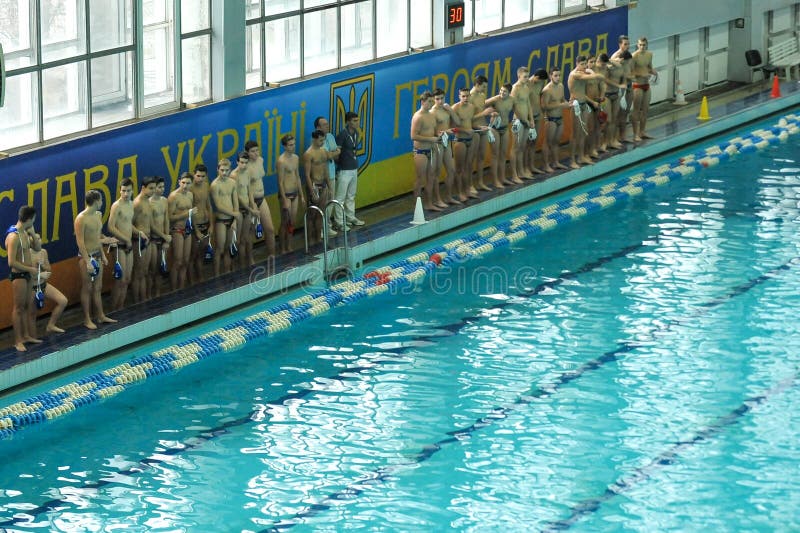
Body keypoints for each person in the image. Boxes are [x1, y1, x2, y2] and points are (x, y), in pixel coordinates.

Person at [74, 190, 118, 330]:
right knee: (87, 288)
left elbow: (97, 237)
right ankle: (87, 319)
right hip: (86, 258)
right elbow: (80, 242)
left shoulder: (98, 215)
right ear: (96, 201)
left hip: (98, 255)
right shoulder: (81, 219)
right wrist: (87, 261)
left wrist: (103, 254)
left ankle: (100, 315)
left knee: (98, 288)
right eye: (101, 200)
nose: (102, 203)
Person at [6, 206, 40, 351]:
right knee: (18, 308)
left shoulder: (25, 232)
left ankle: (26, 336)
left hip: (27, 274)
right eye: (34, 219)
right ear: (29, 219)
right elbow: (11, 262)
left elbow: (37, 248)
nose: (34, 221)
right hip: (19, 275)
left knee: (27, 306)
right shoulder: (14, 237)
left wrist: (32, 233)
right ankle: (18, 340)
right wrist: (29, 269)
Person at [27, 231, 67, 337]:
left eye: (39, 238)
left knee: (63, 301)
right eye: (35, 239)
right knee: (32, 315)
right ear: (30, 242)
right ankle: (33, 338)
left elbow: (49, 269)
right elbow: (26, 276)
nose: (38, 241)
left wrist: (44, 267)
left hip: (43, 285)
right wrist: (40, 275)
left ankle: (51, 325)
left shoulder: (43, 252)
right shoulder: (27, 255)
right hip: (32, 288)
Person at [410, 91, 443, 212]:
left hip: (432, 150)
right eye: (429, 101)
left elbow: (433, 132)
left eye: (432, 101)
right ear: (422, 102)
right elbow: (413, 136)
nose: (431, 104)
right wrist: (431, 138)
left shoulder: (431, 115)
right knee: (420, 179)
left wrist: (438, 135)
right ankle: (416, 207)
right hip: (420, 152)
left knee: (431, 177)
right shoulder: (417, 117)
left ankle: (429, 203)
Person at [106, 178, 135, 310]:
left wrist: (139, 233)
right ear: (119, 190)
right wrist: (126, 239)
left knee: (127, 279)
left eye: (128, 191)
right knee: (120, 280)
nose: (125, 194)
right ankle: (113, 310)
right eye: (123, 191)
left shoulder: (131, 204)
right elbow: (110, 227)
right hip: (119, 246)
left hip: (128, 246)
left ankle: (121, 308)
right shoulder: (116, 206)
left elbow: (129, 225)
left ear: (132, 191)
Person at [245, 140, 277, 259]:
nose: (256, 153)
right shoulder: (246, 166)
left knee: (270, 229)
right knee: (251, 233)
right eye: (252, 151)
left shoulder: (261, 160)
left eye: (257, 150)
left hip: (262, 199)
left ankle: (272, 255)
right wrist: (252, 205)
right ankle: (251, 260)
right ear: (247, 153)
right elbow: (247, 188)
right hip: (251, 201)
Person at [333, 111, 365, 229]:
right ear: (347, 122)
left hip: (353, 168)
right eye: (354, 121)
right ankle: (339, 222)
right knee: (340, 197)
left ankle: (350, 217)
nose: (357, 123)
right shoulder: (342, 135)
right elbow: (336, 153)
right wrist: (340, 165)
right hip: (344, 170)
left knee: (351, 195)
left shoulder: (356, 133)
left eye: (358, 120)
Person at [303, 129, 336, 242]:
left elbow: (326, 170)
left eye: (323, 140)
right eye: (320, 140)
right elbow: (307, 175)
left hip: (323, 185)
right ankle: (309, 240)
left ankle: (318, 239)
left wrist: (330, 187)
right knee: (311, 215)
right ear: (314, 139)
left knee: (320, 214)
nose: (322, 142)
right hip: (314, 186)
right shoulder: (308, 154)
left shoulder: (323, 152)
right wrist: (312, 191)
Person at [431, 88, 461, 202]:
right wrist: (445, 132)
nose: (440, 101)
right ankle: (438, 199)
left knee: (451, 170)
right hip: (438, 144)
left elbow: (457, 122)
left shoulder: (446, 109)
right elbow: (431, 133)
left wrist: (450, 110)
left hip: (447, 143)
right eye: (437, 99)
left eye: (442, 98)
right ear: (434, 100)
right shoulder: (432, 112)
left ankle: (448, 197)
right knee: (437, 173)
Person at [209, 158, 239, 276]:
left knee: (228, 248)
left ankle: (227, 272)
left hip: (232, 219)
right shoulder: (214, 185)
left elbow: (235, 202)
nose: (224, 173)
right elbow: (218, 206)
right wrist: (234, 214)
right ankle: (216, 275)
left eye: (227, 170)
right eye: (222, 170)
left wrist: (235, 220)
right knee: (219, 249)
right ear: (217, 169)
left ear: (230, 170)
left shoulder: (232, 183)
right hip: (221, 220)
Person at [276, 134, 305, 253]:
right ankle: (282, 248)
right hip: (286, 194)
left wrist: (302, 195)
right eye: (290, 145)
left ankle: (289, 246)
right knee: (284, 222)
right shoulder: (281, 161)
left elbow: (297, 177)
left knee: (292, 222)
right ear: (284, 146)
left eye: (294, 144)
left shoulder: (296, 158)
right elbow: (280, 182)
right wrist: (283, 199)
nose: (293, 147)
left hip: (295, 193)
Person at [131, 176, 157, 303]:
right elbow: (128, 224)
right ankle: (136, 301)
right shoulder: (137, 203)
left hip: (148, 240)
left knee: (145, 271)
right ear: (143, 188)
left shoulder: (147, 200)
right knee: (138, 273)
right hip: (138, 241)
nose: (153, 191)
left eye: (154, 188)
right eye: (150, 188)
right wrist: (139, 233)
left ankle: (144, 298)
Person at [484, 83, 515, 188]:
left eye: (504, 91)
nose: (501, 93)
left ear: (509, 93)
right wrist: (490, 113)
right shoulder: (495, 99)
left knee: (503, 154)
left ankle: (502, 178)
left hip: (505, 128)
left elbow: (518, 109)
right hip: (494, 129)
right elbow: (480, 106)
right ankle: (495, 180)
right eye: (501, 90)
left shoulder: (512, 100)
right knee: (495, 155)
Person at [540, 68, 571, 172]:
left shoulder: (561, 86)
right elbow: (545, 106)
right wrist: (560, 104)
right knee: (547, 143)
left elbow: (562, 99)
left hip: (560, 118)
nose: (558, 77)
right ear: (550, 76)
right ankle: (545, 165)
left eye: (559, 75)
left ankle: (556, 162)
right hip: (550, 119)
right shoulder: (547, 90)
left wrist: (568, 104)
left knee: (556, 142)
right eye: (555, 75)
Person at [168, 172, 194, 290]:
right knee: (178, 261)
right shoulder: (173, 196)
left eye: (188, 183)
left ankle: (181, 288)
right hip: (177, 230)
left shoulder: (190, 195)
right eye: (183, 183)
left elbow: (190, 216)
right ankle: (174, 289)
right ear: (179, 182)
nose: (185, 186)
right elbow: (170, 217)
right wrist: (187, 213)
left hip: (187, 230)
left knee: (186, 261)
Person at [313, 116, 341, 228]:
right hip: (322, 177)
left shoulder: (330, 136)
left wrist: (333, 154)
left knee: (331, 199)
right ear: (318, 127)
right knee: (322, 203)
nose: (327, 126)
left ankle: (327, 224)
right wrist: (335, 152)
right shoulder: (317, 139)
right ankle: (322, 227)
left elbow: (333, 155)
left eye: (327, 124)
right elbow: (326, 155)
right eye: (324, 124)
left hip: (332, 173)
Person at [188, 164, 213, 285]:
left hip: (205, 223)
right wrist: (196, 230)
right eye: (198, 176)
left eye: (203, 176)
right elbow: (190, 212)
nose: (200, 178)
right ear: (194, 174)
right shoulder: (190, 189)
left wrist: (212, 224)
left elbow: (209, 206)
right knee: (193, 255)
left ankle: (201, 278)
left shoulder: (206, 185)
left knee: (201, 254)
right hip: (195, 226)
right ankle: (192, 281)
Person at [510, 66, 535, 181]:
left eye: (528, 76)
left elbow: (528, 104)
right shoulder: (515, 88)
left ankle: (521, 172)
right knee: (515, 148)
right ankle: (514, 175)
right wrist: (523, 120)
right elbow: (513, 106)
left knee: (522, 147)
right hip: (518, 121)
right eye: (525, 77)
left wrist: (531, 120)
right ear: (518, 76)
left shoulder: (526, 87)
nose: (527, 78)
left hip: (525, 121)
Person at [148, 176, 172, 298]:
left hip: (163, 239)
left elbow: (166, 220)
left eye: (163, 187)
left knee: (160, 270)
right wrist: (164, 236)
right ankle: (149, 295)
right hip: (153, 240)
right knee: (152, 270)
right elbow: (151, 225)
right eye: (159, 187)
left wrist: (166, 237)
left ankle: (157, 294)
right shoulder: (148, 203)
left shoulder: (164, 200)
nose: (162, 189)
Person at [232, 151, 256, 268]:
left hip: (248, 209)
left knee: (246, 238)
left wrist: (253, 205)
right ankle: (241, 265)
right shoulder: (233, 175)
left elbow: (249, 191)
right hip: (239, 210)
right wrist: (249, 209)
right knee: (239, 240)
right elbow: (237, 197)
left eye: (246, 163)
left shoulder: (247, 172)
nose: (244, 165)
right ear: (237, 162)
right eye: (241, 162)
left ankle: (248, 262)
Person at [631, 36, 657, 141]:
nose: (642, 47)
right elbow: (630, 72)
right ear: (637, 45)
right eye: (640, 45)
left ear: (646, 45)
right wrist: (641, 74)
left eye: (644, 45)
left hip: (647, 85)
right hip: (637, 85)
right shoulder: (634, 56)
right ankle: (635, 134)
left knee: (645, 110)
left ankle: (642, 132)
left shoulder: (649, 55)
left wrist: (653, 72)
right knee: (636, 110)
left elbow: (649, 67)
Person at [469, 75, 492, 192]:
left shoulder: (482, 95)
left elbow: (483, 111)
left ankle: (480, 182)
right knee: (472, 158)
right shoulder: (469, 98)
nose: (484, 89)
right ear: (477, 85)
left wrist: (490, 114)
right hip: (474, 130)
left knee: (482, 157)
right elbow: (468, 118)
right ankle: (470, 184)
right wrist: (484, 113)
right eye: (483, 87)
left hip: (483, 128)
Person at [526, 68, 549, 175]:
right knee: (526, 144)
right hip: (528, 118)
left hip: (538, 115)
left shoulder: (540, 84)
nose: (542, 83)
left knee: (533, 143)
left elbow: (540, 98)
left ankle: (531, 166)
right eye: (541, 81)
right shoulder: (526, 85)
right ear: (537, 77)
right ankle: (524, 168)